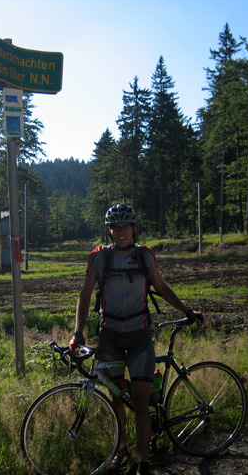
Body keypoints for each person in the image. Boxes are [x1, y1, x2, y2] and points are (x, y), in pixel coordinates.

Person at [69, 204, 204, 475]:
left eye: (125, 227)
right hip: (110, 338)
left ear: (133, 228)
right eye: (115, 227)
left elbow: (162, 287)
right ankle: (120, 452)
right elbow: (85, 294)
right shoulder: (99, 258)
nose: (121, 232)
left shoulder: (145, 256)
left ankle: (143, 463)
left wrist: (187, 311)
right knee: (116, 399)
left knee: (141, 402)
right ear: (109, 231)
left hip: (140, 336)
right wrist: (78, 332)